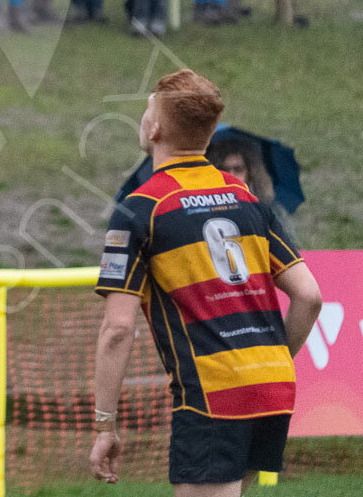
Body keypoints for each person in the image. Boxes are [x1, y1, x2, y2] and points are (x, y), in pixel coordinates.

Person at [90, 69, 322, 495]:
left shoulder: (139, 209)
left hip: (213, 395)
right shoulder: (247, 197)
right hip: (272, 388)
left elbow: (117, 330)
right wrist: (271, 359)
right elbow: (309, 296)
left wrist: (105, 424)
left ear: (155, 127)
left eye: (146, 110)